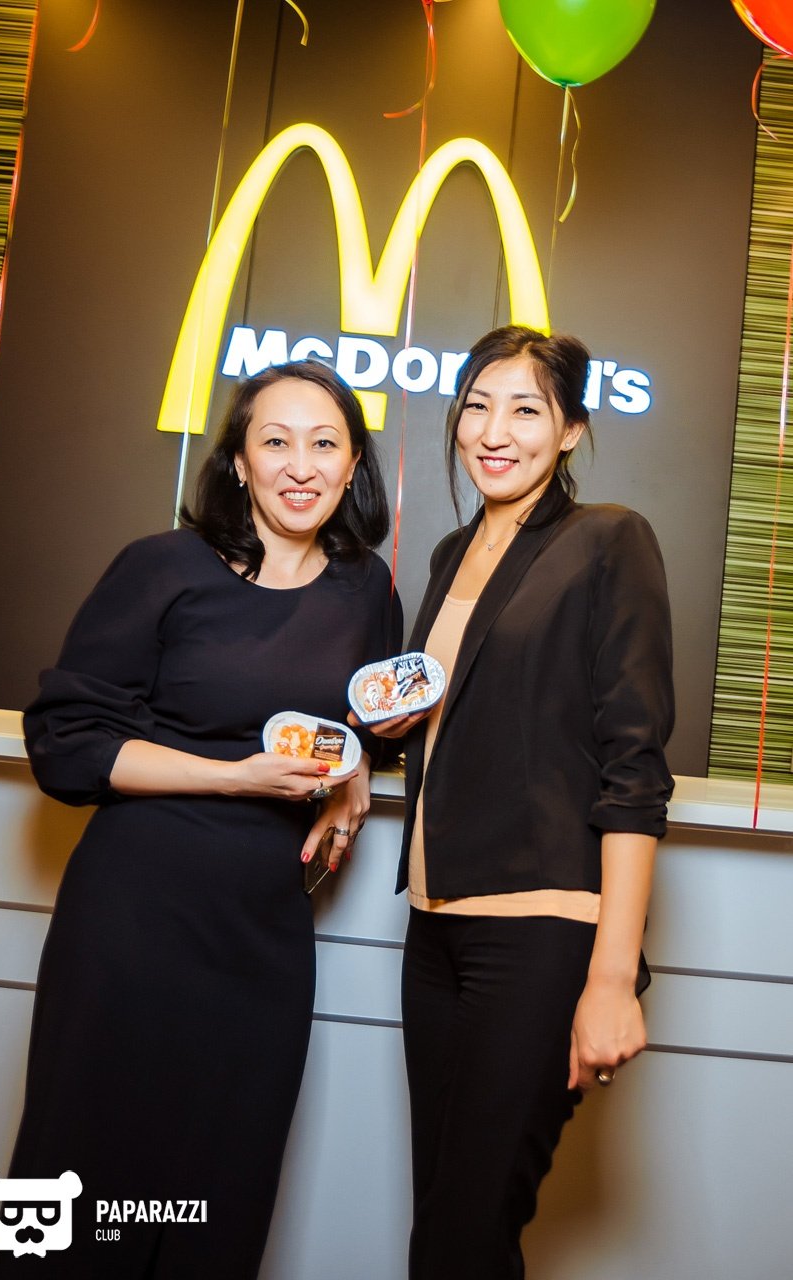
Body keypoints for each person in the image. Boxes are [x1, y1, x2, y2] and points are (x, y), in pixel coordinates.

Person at [0, 360, 400, 1279]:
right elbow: (66, 745)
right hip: (133, 917)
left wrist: (357, 772)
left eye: (325, 443)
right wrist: (235, 778)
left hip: (262, 931)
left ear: (352, 467)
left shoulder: (366, 589)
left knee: (222, 1185)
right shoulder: (161, 566)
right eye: (275, 441)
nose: (301, 465)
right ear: (239, 463)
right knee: (83, 1175)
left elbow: (363, 721)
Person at [362, 325, 674, 1280]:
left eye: (526, 410)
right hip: (433, 925)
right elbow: (477, 716)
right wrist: (385, 736)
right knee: (447, 1228)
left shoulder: (606, 540)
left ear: (570, 429)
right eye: (477, 407)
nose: (493, 432)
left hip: (540, 931)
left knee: (464, 1236)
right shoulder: (452, 552)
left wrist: (610, 978)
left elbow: (633, 768)